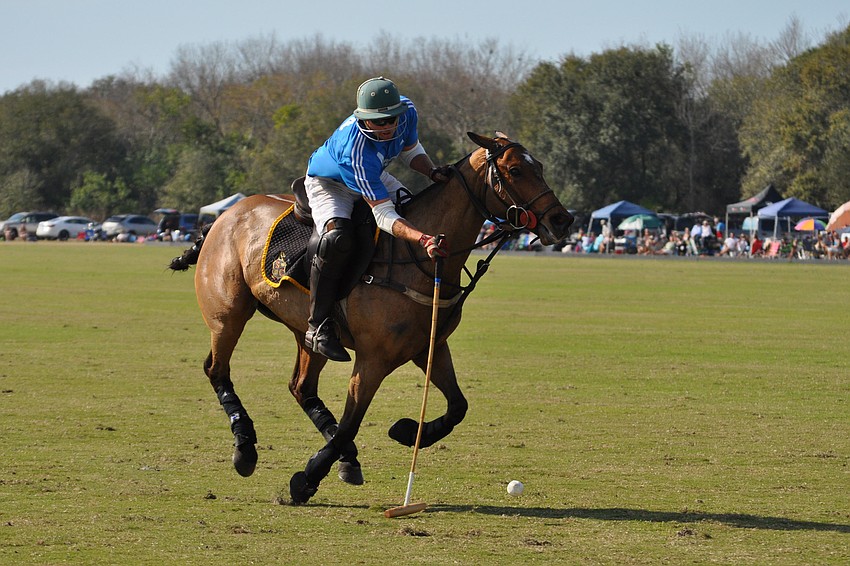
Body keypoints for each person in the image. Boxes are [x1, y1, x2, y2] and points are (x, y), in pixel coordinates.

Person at [302, 77, 450, 361]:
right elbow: (383, 214)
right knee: (336, 239)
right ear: (363, 119)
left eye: (390, 119)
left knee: (415, 209)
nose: (386, 127)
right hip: (331, 184)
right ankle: (317, 326)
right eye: (377, 122)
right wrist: (422, 239)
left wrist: (432, 172)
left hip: (373, 174)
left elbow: (411, 151)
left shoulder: (407, 111)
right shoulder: (355, 149)